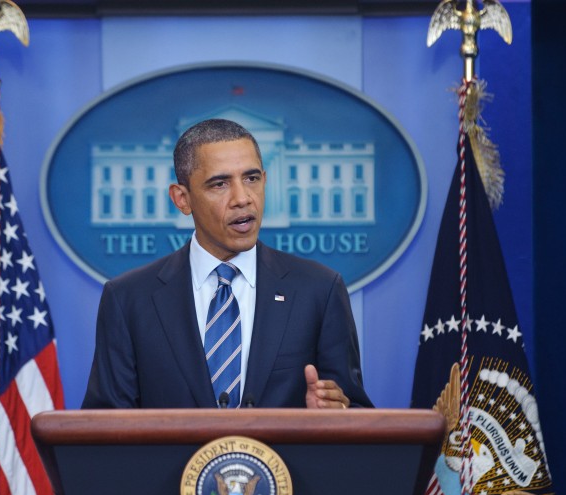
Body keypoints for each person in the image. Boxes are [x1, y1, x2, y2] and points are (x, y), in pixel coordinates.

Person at [82, 119, 372, 409]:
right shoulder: (128, 299)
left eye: (252, 179)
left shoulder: (319, 290)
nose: (243, 198)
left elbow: (356, 415)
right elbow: (103, 433)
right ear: (182, 199)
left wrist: (334, 416)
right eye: (220, 184)